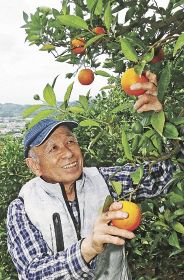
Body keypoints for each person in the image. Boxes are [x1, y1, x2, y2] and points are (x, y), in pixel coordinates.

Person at [7, 72, 174, 280]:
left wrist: (161, 119)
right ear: (34, 165)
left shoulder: (104, 180)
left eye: (70, 141)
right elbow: (32, 272)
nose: (68, 153)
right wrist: (88, 248)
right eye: (53, 148)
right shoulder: (23, 207)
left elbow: (168, 174)